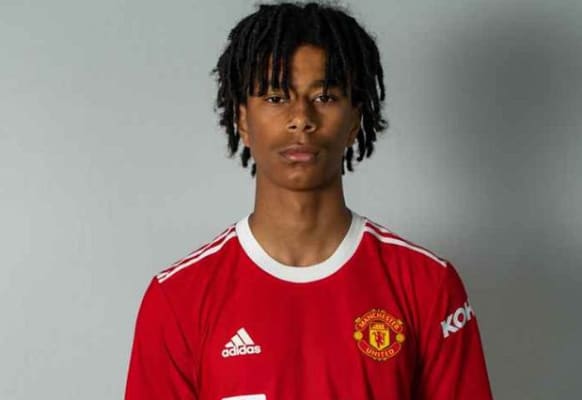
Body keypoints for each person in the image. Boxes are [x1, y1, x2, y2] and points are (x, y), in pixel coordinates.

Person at [124, 2, 493, 399]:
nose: (301, 117)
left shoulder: (428, 285)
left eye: (325, 96)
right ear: (242, 120)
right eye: (275, 97)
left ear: (354, 121)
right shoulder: (178, 298)